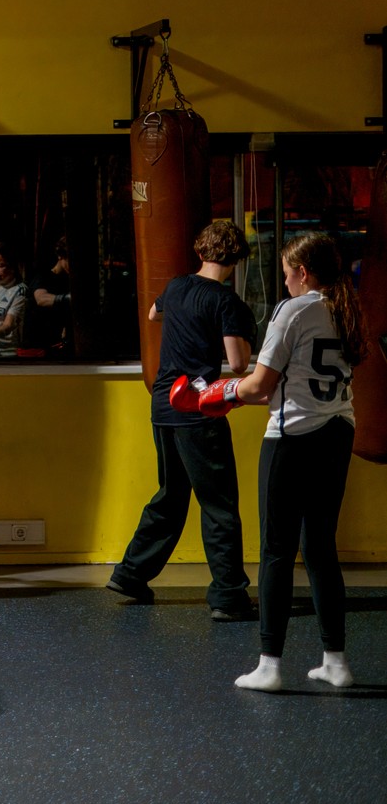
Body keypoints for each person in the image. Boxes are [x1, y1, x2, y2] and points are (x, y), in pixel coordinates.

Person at [171, 233, 365, 692]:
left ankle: (270, 666)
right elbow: (288, 381)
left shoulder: (293, 309)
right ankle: (335, 661)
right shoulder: (346, 309)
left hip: (292, 437)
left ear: (302, 272)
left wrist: (214, 395)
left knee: (277, 549)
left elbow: (259, 386)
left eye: (284, 273)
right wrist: (233, 396)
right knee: (320, 548)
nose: (283, 281)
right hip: (337, 432)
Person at [108, 220, 256, 620]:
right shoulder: (225, 301)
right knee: (219, 504)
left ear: (201, 251)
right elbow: (239, 363)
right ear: (237, 259)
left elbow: (156, 314)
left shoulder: (176, 286)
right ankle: (228, 597)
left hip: (162, 406)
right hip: (197, 409)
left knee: (171, 495)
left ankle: (131, 573)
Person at [23, 236, 73, 357]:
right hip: (34, 348)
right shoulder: (43, 276)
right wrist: (70, 298)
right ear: (61, 256)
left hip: (53, 347)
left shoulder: (68, 281)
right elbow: (42, 299)